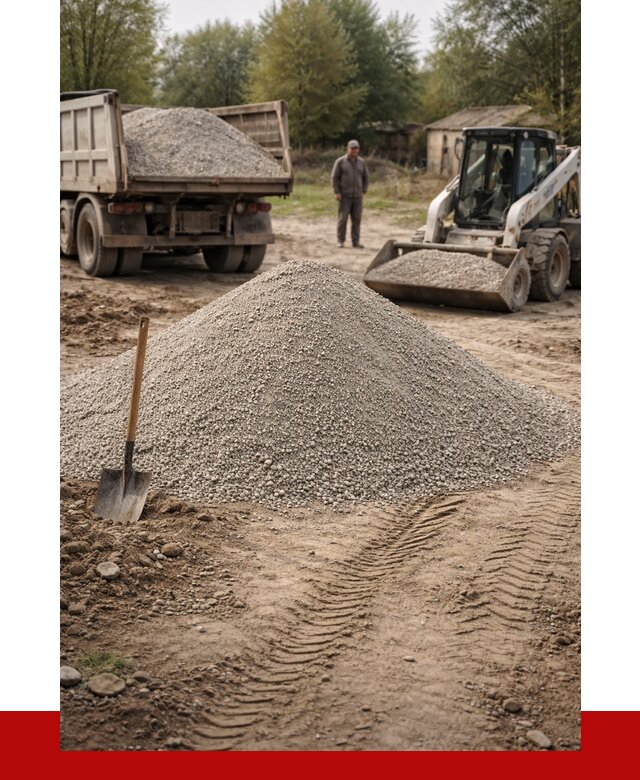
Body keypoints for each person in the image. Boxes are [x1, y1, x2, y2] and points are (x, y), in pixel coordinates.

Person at [331, 140, 369, 248]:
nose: (354, 150)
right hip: (344, 196)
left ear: (358, 149)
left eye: (356, 148)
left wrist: (364, 189)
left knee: (357, 219)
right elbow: (334, 177)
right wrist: (337, 192)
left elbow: (366, 177)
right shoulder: (341, 161)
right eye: (352, 148)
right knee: (343, 219)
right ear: (347, 149)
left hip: (357, 196)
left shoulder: (362, 162)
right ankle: (340, 240)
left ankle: (355, 242)